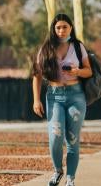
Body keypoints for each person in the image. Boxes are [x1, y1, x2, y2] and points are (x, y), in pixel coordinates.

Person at [32, 13, 93, 186]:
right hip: (54, 96)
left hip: (76, 95)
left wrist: (78, 72)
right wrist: (36, 100)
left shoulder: (78, 46)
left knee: (72, 138)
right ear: (53, 29)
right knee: (55, 135)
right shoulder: (46, 48)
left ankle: (71, 179)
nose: (61, 30)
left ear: (71, 28)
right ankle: (58, 171)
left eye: (64, 27)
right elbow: (36, 75)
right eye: (58, 27)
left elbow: (89, 71)